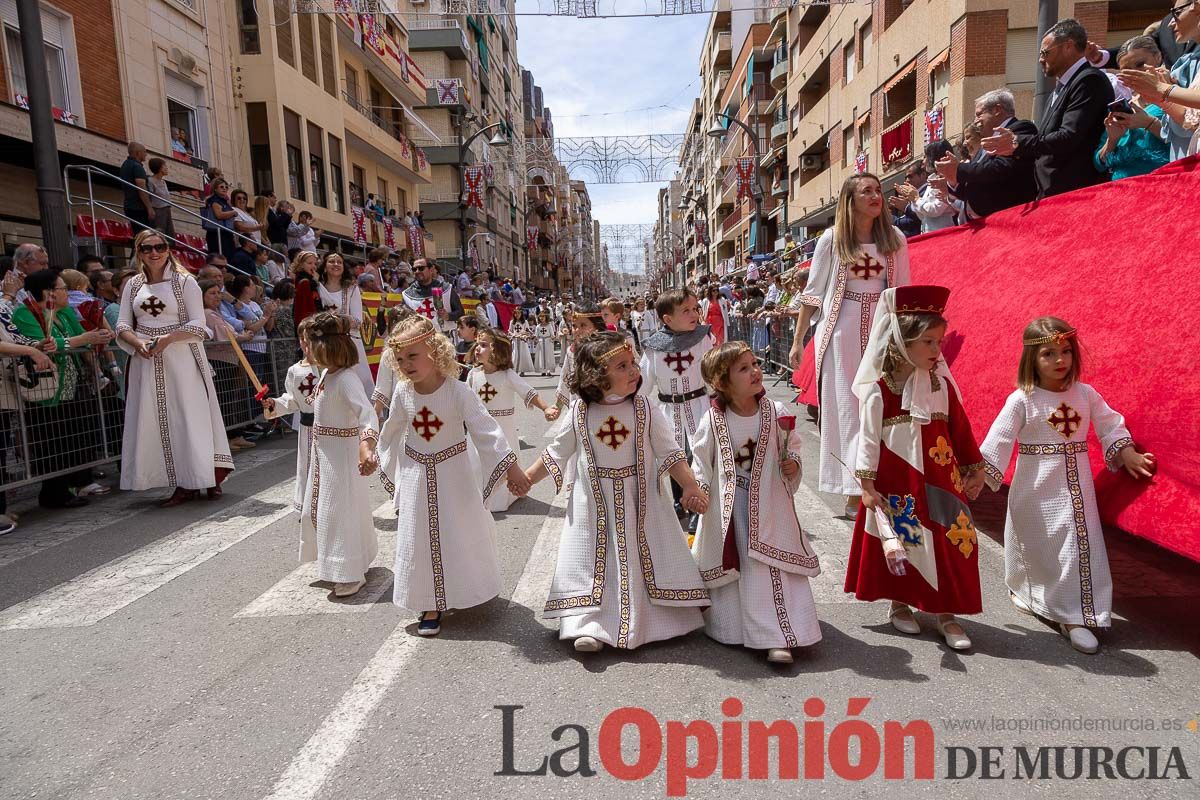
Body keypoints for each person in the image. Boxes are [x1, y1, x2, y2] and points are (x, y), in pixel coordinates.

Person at [521, 332, 709, 652]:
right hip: (593, 506)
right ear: (597, 375)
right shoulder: (580, 410)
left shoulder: (646, 408)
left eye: (633, 363)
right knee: (592, 563)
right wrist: (527, 477)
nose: (634, 370)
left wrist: (690, 485)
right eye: (622, 366)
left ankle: (657, 621)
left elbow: (671, 452)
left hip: (642, 503)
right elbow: (557, 451)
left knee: (642, 559)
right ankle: (586, 625)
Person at [978, 317, 1155, 654]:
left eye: (1065, 352)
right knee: (1036, 547)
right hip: (1034, 490)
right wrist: (976, 476)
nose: (1059, 360)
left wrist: (1127, 451)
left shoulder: (1085, 394)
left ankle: (1075, 617)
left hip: (1076, 492)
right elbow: (997, 441)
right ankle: (1032, 594)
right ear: (1032, 358)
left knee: (1073, 546)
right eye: (1048, 353)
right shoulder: (1022, 400)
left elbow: (1110, 424)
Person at [844, 285, 986, 650]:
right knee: (906, 539)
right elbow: (868, 440)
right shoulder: (880, 390)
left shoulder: (941, 385)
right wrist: (867, 485)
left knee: (950, 542)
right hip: (898, 482)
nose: (938, 351)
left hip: (941, 481)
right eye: (929, 342)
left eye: (939, 342)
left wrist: (974, 468)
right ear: (900, 341)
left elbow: (960, 429)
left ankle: (947, 614)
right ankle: (900, 604)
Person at [376, 315, 529, 636]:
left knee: (458, 532)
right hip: (417, 475)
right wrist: (373, 454)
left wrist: (511, 467)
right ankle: (428, 601)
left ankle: (465, 589)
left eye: (413, 356)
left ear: (435, 351)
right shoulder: (403, 394)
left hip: (455, 473)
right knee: (420, 536)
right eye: (400, 359)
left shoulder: (459, 392)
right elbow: (390, 432)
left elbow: (487, 430)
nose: (406, 364)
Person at [690, 342, 821, 664]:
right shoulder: (713, 420)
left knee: (769, 569)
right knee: (744, 568)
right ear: (722, 382)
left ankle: (778, 636)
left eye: (755, 364)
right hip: (732, 513)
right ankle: (735, 630)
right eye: (744, 368)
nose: (756, 372)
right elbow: (701, 462)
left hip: (771, 510)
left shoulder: (777, 413)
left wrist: (793, 465)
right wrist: (699, 491)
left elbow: (792, 449)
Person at [787, 173, 911, 517]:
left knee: (882, 404)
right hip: (841, 331)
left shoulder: (896, 239)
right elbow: (812, 293)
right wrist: (799, 341)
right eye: (866, 191)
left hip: (883, 329)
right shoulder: (832, 239)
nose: (875, 196)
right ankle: (853, 489)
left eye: (878, 191)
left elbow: (904, 292)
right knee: (847, 408)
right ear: (850, 200)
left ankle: (883, 482)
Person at [116, 230, 233, 506]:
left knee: (189, 417)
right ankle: (181, 480)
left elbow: (198, 324)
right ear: (138, 252)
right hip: (147, 360)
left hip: (182, 357)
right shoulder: (133, 285)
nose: (154, 253)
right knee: (157, 419)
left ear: (168, 249)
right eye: (147, 248)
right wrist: (139, 342)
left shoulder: (185, 283)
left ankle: (200, 477)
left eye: (160, 247)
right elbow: (121, 324)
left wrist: (168, 338)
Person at [274, 312, 379, 598]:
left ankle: (349, 572)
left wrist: (366, 446)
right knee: (319, 511)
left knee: (338, 513)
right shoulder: (325, 375)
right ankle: (350, 561)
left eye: (309, 343)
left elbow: (367, 415)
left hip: (341, 459)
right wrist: (275, 405)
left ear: (326, 346)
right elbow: (304, 402)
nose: (305, 349)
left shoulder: (346, 379)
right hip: (324, 456)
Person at [10, 270, 113, 508]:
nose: (67, 293)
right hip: (45, 391)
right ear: (49, 292)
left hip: (72, 386)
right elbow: (44, 345)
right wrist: (83, 339)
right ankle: (53, 493)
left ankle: (71, 485)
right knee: (50, 442)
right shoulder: (26, 313)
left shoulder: (64, 313)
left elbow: (83, 339)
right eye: (63, 288)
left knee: (72, 437)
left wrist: (96, 336)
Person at [981, 18, 1114, 197]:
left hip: (1076, 194)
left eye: (1045, 52)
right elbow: (1045, 139)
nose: (1040, 59)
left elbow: (1069, 136)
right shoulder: (1059, 90)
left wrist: (1018, 142)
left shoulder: (1089, 81)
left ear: (1068, 46)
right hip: (1051, 193)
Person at [465, 327, 558, 511]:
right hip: (477, 430)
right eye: (477, 344)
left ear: (497, 350)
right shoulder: (473, 375)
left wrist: (546, 408)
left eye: (483, 345)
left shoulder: (508, 376)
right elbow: (464, 399)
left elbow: (528, 393)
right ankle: (477, 497)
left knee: (502, 462)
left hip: (503, 430)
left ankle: (501, 498)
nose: (477, 348)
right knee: (476, 463)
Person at [937, 89, 1038, 219]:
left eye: (979, 115)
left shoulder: (1020, 128)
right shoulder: (987, 143)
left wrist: (959, 169)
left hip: (1011, 218)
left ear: (997, 110)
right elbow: (977, 185)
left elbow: (1001, 168)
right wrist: (952, 180)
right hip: (989, 223)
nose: (975, 122)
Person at [201, 278, 256, 450]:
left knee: (230, 399)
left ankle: (234, 434)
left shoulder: (215, 313)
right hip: (219, 361)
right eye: (212, 293)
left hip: (229, 360)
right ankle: (226, 437)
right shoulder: (207, 314)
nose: (217, 296)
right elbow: (225, 335)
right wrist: (244, 337)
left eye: (218, 293)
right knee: (223, 399)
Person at [315, 252, 372, 394]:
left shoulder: (351, 288)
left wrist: (334, 321)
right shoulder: (316, 287)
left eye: (339, 262)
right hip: (325, 342)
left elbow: (357, 321)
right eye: (331, 261)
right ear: (324, 266)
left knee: (359, 382)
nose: (336, 264)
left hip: (350, 342)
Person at [119, 141, 153, 234]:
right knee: (144, 235)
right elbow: (141, 189)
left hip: (130, 205)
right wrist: (149, 208)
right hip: (139, 207)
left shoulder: (125, 165)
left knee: (139, 234)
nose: (146, 154)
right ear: (138, 153)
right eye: (144, 152)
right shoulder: (137, 167)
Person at [202, 179, 238, 257]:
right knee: (222, 256)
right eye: (221, 187)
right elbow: (219, 215)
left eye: (226, 187)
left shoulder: (224, 201)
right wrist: (233, 213)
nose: (224, 188)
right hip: (217, 234)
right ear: (215, 189)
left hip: (225, 232)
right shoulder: (215, 200)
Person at [290, 250, 322, 326]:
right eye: (309, 263)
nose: (313, 266)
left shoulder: (311, 277)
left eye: (315, 264)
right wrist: (315, 281)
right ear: (301, 264)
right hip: (306, 319)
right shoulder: (302, 278)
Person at [146, 157, 174, 238]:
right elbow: (149, 196)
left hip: (167, 209)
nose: (167, 168)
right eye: (164, 166)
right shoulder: (150, 181)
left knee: (169, 233)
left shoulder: (163, 182)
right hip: (158, 210)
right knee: (160, 233)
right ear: (159, 168)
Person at [507, 306, 536, 375]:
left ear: (521, 314)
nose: (517, 315)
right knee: (515, 354)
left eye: (519, 313)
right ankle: (515, 369)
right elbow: (509, 331)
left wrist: (526, 334)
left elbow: (527, 330)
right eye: (515, 313)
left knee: (523, 355)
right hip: (515, 341)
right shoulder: (512, 322)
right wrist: (513, 334)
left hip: (522, 341)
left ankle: (522, 370)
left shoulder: (525, 322)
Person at [532, 311, 557, 376]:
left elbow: (552, 335)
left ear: (546, 317)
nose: (541, 318)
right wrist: (534, 339)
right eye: (540, 316)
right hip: (540, 342)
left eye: (543, 316)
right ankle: (543, 370)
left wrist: (553, 338)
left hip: (548, 342)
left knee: (548, 356)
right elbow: (536, 335)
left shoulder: (549, 325)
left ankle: (548, 370)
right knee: (541, 356)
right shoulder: (538, 326)